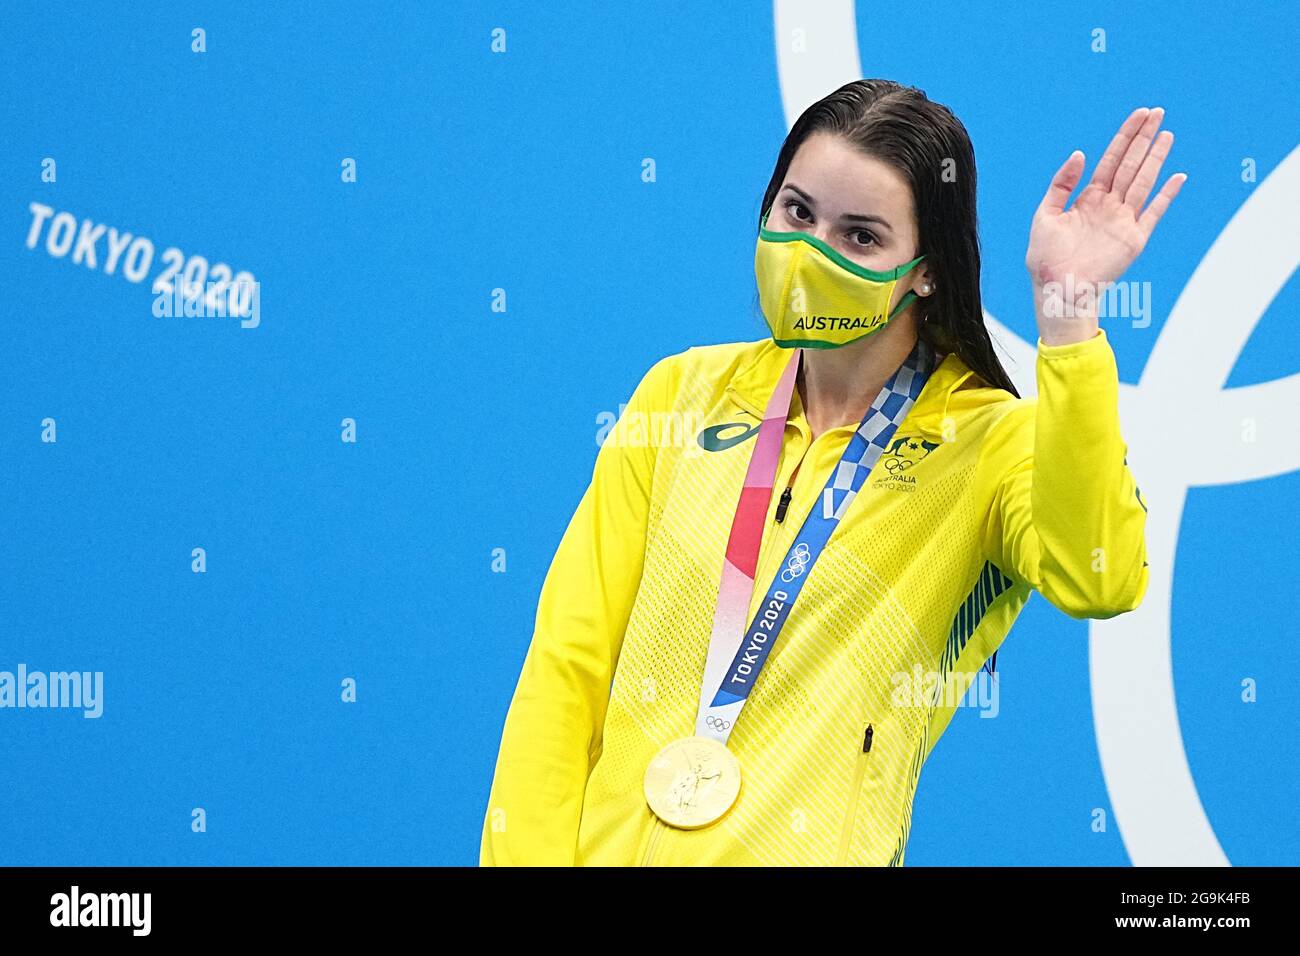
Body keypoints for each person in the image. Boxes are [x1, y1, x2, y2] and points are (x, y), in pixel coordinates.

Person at [480, 79, 1181, 866]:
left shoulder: (990, 445)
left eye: (860, 237)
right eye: (798, 212)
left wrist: (1069, 319)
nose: (813, 252)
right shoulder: (679, 395)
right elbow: (567, 671)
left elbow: (1102, 579)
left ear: (927, 270)